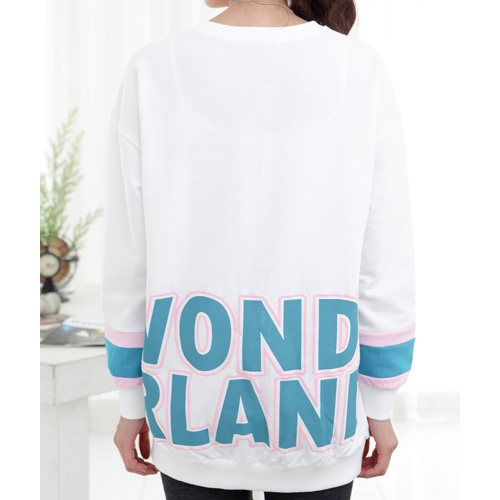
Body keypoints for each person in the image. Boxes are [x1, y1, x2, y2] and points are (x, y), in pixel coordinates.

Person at [101, 0, 416, 498]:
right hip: (318, 414)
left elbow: (128, 255)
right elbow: (384, 254)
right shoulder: (358, 68)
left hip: (188, 410)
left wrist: (130, 402)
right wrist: (379, 405)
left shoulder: (153, 68)